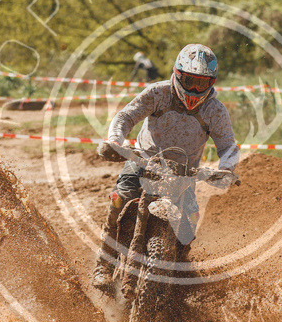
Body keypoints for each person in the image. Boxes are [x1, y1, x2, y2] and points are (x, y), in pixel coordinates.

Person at [91, 43, 239, 299]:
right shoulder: (158, 93)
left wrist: (226, 169)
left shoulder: (215, 110)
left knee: (187, 229)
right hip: (143, 161)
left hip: (184, 174)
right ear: (178, 75)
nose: (194, 89)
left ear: (211, 83)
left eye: (201, 83)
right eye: (189, 81)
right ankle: (103, 265)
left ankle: (175, 284)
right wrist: (116, 141)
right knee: (119, 200)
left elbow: (228, 146)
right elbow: (125, 117)